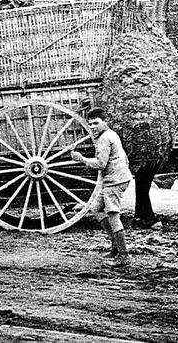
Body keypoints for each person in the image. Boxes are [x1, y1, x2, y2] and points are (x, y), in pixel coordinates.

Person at [71, 107, 132, 269]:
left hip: (114, 181)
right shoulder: (112, 135)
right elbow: (124, 158)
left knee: (113, 215)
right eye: (90, 124)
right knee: (96, 208)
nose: (92, 127)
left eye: (96, 123)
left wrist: (81, 159)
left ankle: (124, 255)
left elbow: (100, 164)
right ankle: (115, 246)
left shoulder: (105, 139)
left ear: (105, 122)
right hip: (115, 178)